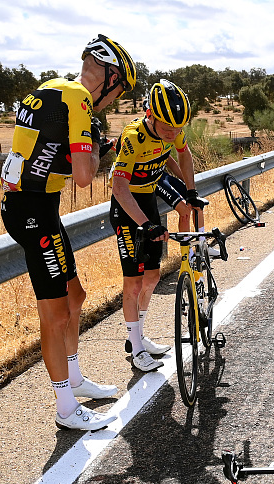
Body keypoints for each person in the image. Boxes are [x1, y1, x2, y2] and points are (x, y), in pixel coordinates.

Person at [0, 34, 136, 431]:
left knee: (76, 294)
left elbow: (45, 150)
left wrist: (90, 144)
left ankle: (74, 380)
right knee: (55, 314)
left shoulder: (51, 90)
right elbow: (82, 177)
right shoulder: (78, 100)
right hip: (33, 212)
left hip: (33, 204)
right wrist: (95, 146)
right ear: (110, 78)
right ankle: (64, 407)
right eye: (119, 91)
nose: (114, 101)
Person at [110, 79, 204, 371]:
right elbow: (119, 188)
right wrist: (145, 224)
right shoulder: (132, 137)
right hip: (128, 210)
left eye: (178, 129)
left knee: (152, 278)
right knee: (134, 282)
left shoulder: (173, 128)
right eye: (167, 129)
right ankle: (136, 349)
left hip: (148, 200)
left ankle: (137, 335)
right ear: (150, 114)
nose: (172, 135)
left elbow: (184, 154)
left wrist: (190, 190)